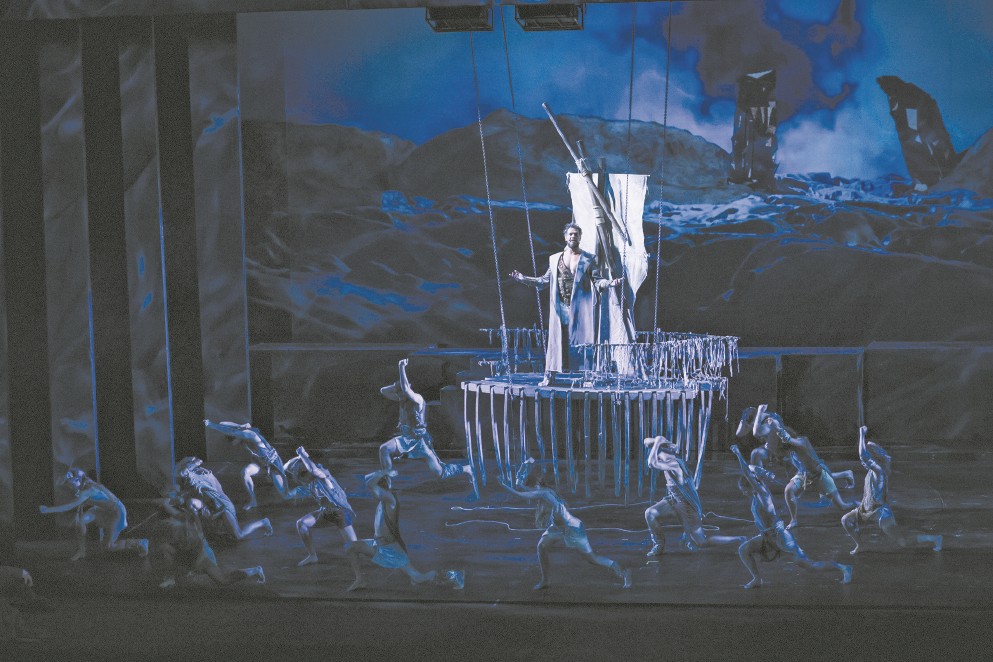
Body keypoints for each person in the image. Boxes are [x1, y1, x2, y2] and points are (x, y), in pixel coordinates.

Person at [730, 445, 852, 589]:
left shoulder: (762, 494)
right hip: (767, 537)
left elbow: (747, 472)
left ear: (751, 486)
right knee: (744, 550)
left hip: (781, 537)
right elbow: (750, 470)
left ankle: (843, 567)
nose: (743, 493)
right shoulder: (757, 494)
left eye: (744, 489)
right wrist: (756, 469)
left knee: (810, 565)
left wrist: (738, 454)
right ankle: (757, 579)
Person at [499, 458, 631, 590]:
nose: (531, 491)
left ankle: (624, 572)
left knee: (592, 559)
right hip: (557, 528)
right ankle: (545, 580)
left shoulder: (544, 493)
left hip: (572, 529)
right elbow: (519, 484)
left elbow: (520, 494)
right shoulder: (542, 491)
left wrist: (503, 485)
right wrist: (524, 464)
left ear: (536, 486)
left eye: (531, 488)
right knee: (542, 546)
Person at [510, 223, 621, 375]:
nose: (573, 236)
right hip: (560, 306)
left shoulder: (588, 259)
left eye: (576, 234)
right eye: (570, 234)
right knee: (557, 341)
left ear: (580, 237)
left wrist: (610, 283)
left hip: (580, 306)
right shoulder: (555, 259)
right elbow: (543, 281)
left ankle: (586, 376)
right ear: (565, 237)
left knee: (583, 341)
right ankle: (551, 375)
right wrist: (524, 279)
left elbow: (597, 280)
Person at [346, 468, 463, 592]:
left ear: (381, 488)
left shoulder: (390, 499)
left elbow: (370, 483)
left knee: (418, 577)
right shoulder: (383, 500)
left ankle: (455, 575)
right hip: (379, 545)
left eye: (375, 490)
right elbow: (368, 479)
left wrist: (385, 473)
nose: (372, 493)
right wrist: (383, 472)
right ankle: (360, 580)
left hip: (390, 549)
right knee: (351, 547)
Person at [739, 405, 856, 529]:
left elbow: (786, 438)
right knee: (788, 490)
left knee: (843, 506)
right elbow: (777, 444)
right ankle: (794, 520)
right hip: (803, 474)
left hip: (819, 474)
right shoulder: (790, 451)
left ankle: (860, 506)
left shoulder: (801, 442)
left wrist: (776, 427)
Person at [378, 358, 478, 499]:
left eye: (400, 391)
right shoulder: (402, 398)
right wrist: (396, 386)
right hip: (405, 439)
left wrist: (401, 367)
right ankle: (387, 482)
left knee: (440, 473)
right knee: (384, 449)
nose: (398, 394)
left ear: (408, 388)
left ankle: (466, 469)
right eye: (397, 392)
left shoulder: (417, 399)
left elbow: (406, 389)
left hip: (419, 441)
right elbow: (383, 391)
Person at [841, 426, 942, 555]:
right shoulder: (874, 470)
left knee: (902, 542)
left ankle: (935, 538)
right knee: (845, 520)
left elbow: (863, 456)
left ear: (874, 458)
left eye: (869, 458)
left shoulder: (879, 472)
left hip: (880, 513)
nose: (863, 463)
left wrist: (861, 434)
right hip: (865, 509)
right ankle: (861, 545)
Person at [643, 436, 746, 557]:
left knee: (701, 542)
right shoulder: (667, 456)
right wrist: (659, 440)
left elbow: (651, 463)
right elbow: (646, 442)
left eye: (659, 452)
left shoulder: (674, 464)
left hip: (686, 505)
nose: (657, 454)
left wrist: (658, 442)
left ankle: (739, 539)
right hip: (673, 500)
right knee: (650, 513)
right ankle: (659, 544)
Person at [158, 492, 265, 589]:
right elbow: (169, 509)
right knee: (165, 548)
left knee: (223, 580)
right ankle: (171, 578)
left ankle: (255, 570)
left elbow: (169, 508)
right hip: (192, 555)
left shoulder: (190, 518)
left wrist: (169, 502)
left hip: (202, 556)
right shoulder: (182, 519)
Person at [38, 468, 149, 562]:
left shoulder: (87, 490)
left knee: (109, 546)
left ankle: (139, 542)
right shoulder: (86, 485)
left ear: (77, 480)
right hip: (105, 510)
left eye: (69, 483)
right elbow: (89, 501)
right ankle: (82, 550)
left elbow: (70, 506)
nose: (69, 486)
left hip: (117, 513)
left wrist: (47, 510)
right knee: (80, 521)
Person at [203, 419, 304, 509]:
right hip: (260, 464)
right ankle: (253, 501)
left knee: (286, 495)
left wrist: (211, 424)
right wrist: (239, 425)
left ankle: (306, 490)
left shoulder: (249, 434)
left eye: (232, 439)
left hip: (273, 464)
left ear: (236, 435)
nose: (232, 443)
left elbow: (230, 431)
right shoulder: (243, 437)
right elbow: (223, 423)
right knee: (245, 472)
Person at [290, 446, 359, 567]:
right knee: (301, 524)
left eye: (302, 476)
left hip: (340, 513)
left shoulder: (324, 477)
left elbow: (313, 469)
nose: (302, 481)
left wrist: (302, 454)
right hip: (326, 513)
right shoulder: (310, 480)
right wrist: (299, 457)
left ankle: (379, 549)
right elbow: (287, 467)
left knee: (355, 547)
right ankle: (312, 556)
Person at [176, 456, 272, 541]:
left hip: (224, 507)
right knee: (191, 502)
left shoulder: (202, 474)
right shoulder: (196, 476)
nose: (187, 477)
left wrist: (191, 463)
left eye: (187, 472)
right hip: (212, 506)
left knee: (239, 535)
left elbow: (183, 472)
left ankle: (263, 522)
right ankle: (200, 532)